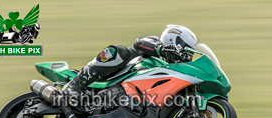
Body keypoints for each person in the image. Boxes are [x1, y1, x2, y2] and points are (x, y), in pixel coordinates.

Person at [67, 24, 197, 93]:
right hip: (111, 78)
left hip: (129, 96)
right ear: (174, 40)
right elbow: (138, 43)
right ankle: (74, 86)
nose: (187, 55)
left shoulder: (173, 70)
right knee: (119, 51)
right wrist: (161, 50)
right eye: (185, 49)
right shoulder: (155, 42)